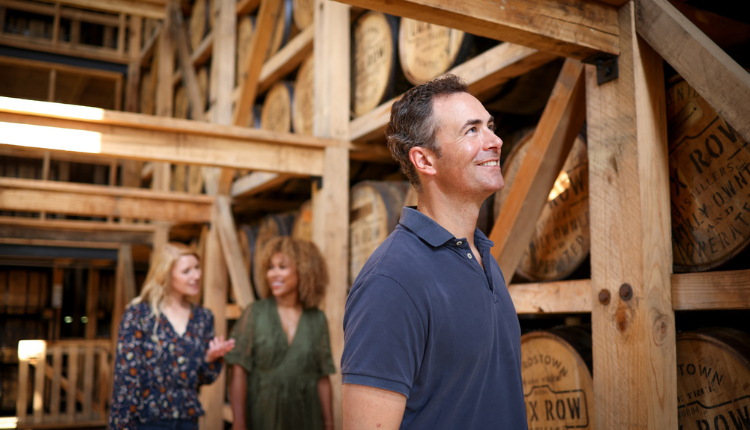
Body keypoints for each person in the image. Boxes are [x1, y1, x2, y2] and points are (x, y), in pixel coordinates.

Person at [341, 74, 528, 429]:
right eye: (472, 131)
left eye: (490, 126)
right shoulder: (391, 281)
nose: (496, 140)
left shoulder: (483, 256)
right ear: (425, 161)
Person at [110, 242, 235, 430]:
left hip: (187, 419)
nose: (197, 275)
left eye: (197, 268)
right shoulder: (139, 315)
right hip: (147, 421)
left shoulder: (203, 317)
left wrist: (211, 358)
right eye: (187, 271)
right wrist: (121, 425)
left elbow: (204, 378)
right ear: (166, 275)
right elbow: (126, 378)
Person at [226, 237, 335, 430]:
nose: (272, 274)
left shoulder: (317, 319)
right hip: (263, 414)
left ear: (303, 270)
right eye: (270, 267)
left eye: (282, 267)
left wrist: (329, 423)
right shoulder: (255, 313)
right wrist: (239, 422)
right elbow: (239, 372)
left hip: (307, 416)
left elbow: (323, 378)